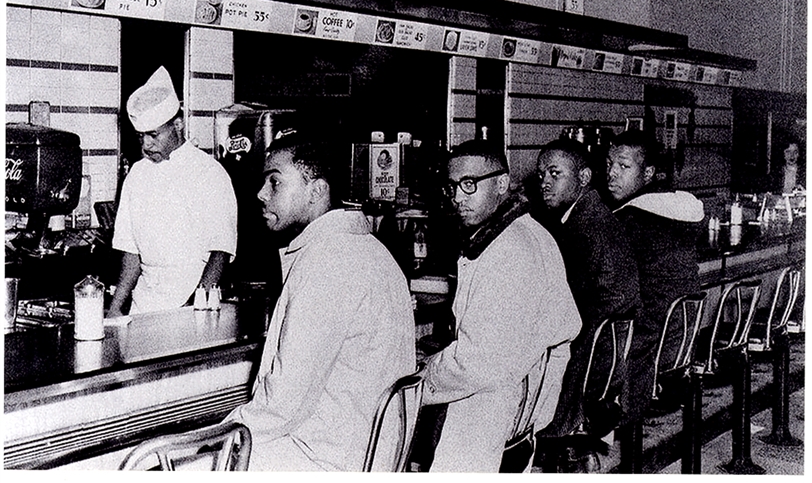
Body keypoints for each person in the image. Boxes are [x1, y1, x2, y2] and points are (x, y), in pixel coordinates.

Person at [225, 132, 415, 471]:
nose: (261, 193)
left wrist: (220, 432)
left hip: (322, 459)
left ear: (317, 190)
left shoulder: (328, 262)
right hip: (366, 453)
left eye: (275, 183)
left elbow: (283, 406)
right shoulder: (371, 250)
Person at [419, 139, 581, 472]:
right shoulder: (532, 233)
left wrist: (419, 375)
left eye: (469, 185)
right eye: (452, 188)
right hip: (519, 418)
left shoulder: (508, 251)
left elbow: (474, 363)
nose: (458, 198)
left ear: (501, 184)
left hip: (483, 422)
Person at [533, 140, 640, 454]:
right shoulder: (592, 215)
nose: (545, 183)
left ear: (583, 177)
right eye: (541, 175)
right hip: (607, 363)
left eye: (555, 173)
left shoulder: (582, 228)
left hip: (586, 373)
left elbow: (563, 310)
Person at [108, 66, 237, 315]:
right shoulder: (136, 175)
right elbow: (131, 251)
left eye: (154, 135)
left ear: (178, 125)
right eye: (140, 136)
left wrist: (194, 309)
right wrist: (114, 310)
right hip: (143, 307)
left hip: (191, 301)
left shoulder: (209, 173)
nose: (146, 145)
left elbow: (220, 252)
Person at [605, 130, 704, 422]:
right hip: (679, 345)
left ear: (648, 173)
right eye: (609, 164)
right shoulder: (678, 211)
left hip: (645, 353)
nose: (612, 173)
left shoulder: (631, 220)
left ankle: (577, 440)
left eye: (623, 167)